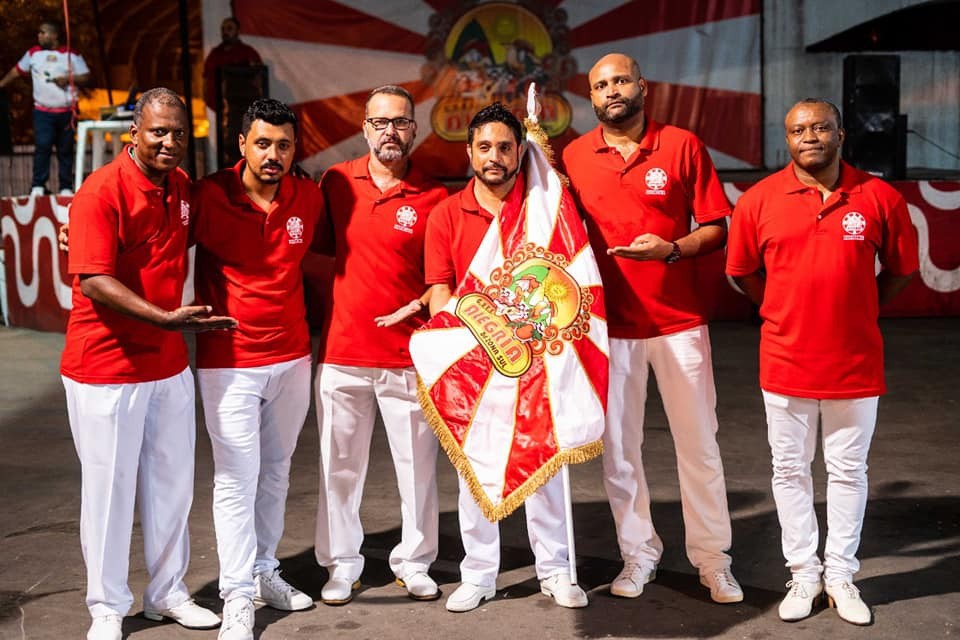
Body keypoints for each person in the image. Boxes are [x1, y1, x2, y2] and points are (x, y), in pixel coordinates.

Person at [726, 99, 919, 626]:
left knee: (848, 471)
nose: (809, 136)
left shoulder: (879, 197)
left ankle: (840, 574)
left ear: (840, 134)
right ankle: (804, 573)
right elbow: (741, 269)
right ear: (786, 139)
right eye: (798, 130)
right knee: (789, 470)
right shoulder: (759, 199)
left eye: (819, 127)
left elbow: (902, 268)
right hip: (784, 359)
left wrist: (862, 308)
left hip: (855, 362)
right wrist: (777, 308)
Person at [560, 53, 742, 604]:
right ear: (591, 97)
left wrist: (672, 250)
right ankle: (638, 555)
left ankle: (713, 561)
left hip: (678, 324)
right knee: (619, 452)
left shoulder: (682, 145)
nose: (611, 90)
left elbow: (716, 227)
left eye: (620, 80)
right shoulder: (574, 155)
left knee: (699, 446)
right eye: (600, 85)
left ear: (642, 86)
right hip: (609, 328)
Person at [60, 87, 234, 640]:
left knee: (172, 486)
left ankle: (167, 594)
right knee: (109, 493)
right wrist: (162, 318)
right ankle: (107, 606)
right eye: (158, 131)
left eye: (179, 133)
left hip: (167, 365)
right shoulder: (101, 191)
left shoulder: (180, 186)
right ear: (133, 133)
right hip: (105, 367)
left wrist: (168, 328)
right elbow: (94, 279)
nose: (169, 142)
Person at [424, 103, 587, 613]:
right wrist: (463, 346)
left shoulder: (543, 211)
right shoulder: (446, 214)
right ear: (469, 152)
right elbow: (439, 290)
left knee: (545, 465)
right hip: (476, 362)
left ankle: (555, 570)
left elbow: (567, 278)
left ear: (520, 151)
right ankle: (478, 574)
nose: (493, 157)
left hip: (537, 360)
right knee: (475, 470)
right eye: (484, 147)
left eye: (504, 147)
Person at [192, 98, 325, 640]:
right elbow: (152, 238)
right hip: (230, 363)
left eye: (284, 145)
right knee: (235, 478)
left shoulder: (307, 196)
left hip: (292, 356)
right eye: (263, 143)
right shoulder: (207, 196)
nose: (274, 154)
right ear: (242, 143)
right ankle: (237, 597)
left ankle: (264, 569)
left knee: (276, 471)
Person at [313, 85, 446, 605]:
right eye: (380, 122)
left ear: (414, 128)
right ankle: (341, 564)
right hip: (343, 353)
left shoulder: (435, 196)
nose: (391, 131)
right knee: (338, 469)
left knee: (417, 469)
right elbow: (313, 254)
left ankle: (415, 562)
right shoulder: (335, 182)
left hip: (408, 357)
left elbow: (442, 280)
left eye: (401, 121)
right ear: (365, 128)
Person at [0, 20, 89, 195]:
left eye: (43, 32)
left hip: (67, 111)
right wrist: (1, 84)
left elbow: (86, 76)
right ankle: (38, 185)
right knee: (42, 146)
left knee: (65, 149)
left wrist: (68, 79)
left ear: (54, 35)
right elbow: (16, 71)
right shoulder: (33, 53)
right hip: (43, 112)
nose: (39, 36)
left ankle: (65, 187)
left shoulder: (71, 54)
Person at [202, 17, 262, 111]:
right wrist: (206, 97)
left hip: (242, 107)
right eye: (223, 29)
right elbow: (206, 78)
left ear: (238, 31)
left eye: (229, 28)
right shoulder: (214, 53)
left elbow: (259, 78)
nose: (225, 32)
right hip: (218, 107)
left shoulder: (248, 52)